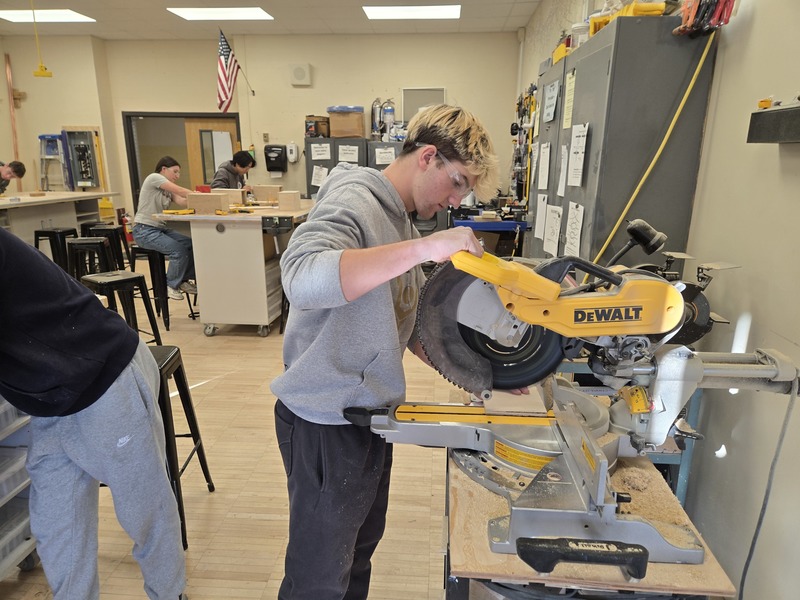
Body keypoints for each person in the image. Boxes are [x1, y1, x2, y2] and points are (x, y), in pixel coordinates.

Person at [271, 104, 507, 600]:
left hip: (367, 416)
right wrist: (425, 249)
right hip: (325, 423)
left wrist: (489, 377)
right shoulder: (356, 200)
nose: (456, 199)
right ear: (428, 157)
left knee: (355, 556)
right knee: (318, 577)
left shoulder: (399, 221)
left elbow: (410, 324)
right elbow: (302, 277)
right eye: (458, 181)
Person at [0, 226, 188, 600]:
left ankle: (169, 594)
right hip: (50, 397)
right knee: (58, 523)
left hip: (103, 377)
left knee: (144, 509)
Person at [132, 156, 197, 300]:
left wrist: (198, 200)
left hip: (159, 229)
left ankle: (183, 279)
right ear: (164, 169)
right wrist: (198, 194)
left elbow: (181, 201)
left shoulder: (167, 188)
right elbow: (180, 191)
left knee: (191, 244)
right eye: (175, 172)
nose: (177, 176)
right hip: (144, 230)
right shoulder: (154, 178)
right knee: (178, 250)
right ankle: (171, 285)